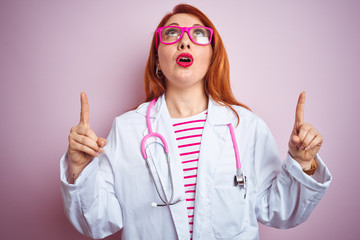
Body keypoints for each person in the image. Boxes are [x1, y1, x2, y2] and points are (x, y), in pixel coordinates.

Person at [60, 4, 332, 240]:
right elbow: (97, 221)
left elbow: (278, 210)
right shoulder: (127, 129)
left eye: (199, 34)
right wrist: (79, 170)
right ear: (157, 58)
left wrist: (303, 164)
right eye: (172, 33)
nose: (185, 41)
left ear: (212, 55)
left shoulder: (246, 126)